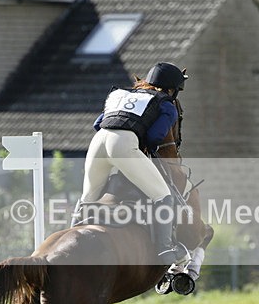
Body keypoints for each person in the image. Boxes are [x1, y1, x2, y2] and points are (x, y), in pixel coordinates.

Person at [72, 62, 188, 265]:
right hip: (123, 146)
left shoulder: (121, 94)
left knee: (88, 198)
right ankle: (164, 250)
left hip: (98, 142)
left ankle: (71, 233)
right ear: (171, 89)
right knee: (163, 196)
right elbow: (155, 137)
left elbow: (97, 124)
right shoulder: (166, 104)